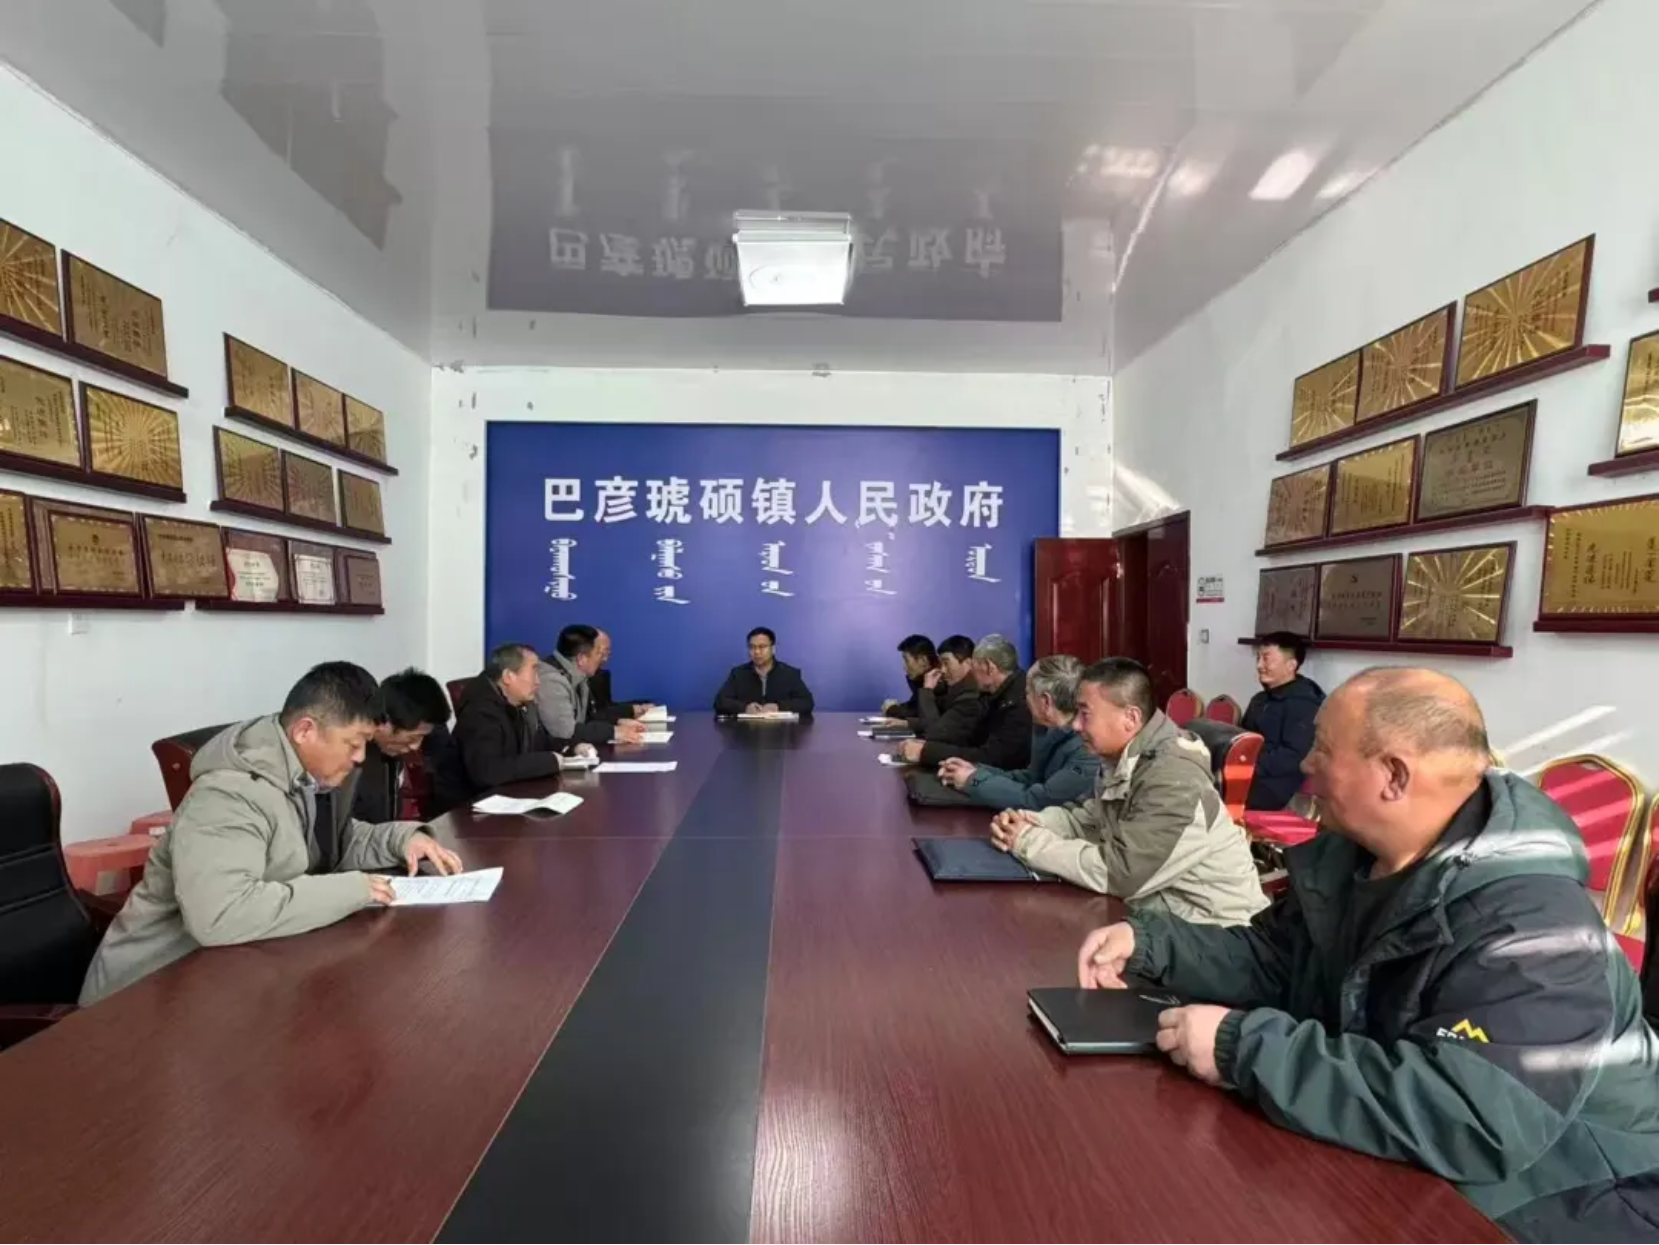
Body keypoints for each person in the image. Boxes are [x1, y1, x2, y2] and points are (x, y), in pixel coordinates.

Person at [1075, 668, 1659, 1243]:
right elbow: (1276, 959)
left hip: (1566, 1193)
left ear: (1394, 777)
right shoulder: (1352, 855)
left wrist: (1241, 1047)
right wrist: (1152, 942)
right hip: (1405, 1151)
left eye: (1323, 749)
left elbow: (1475, 1119)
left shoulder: (1534, 926)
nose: (1305, 765)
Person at [80, 662, 463, 1005]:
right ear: (305, 731)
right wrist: (354, 889)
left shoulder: (306, 777)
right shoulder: (228, 794)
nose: (362, 756)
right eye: (353, 743)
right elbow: (221, 914)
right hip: (147, 993)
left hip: (233, 974)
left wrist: (403, 839)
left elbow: (335, 844)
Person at [990, 657, 1265, 920]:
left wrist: (1028, 841)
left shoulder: (1172, 778)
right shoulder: (1126, 757)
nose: (1075, 724)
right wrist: (1031, 822)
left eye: (1085, 714)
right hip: (1159, 911)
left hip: (1213, 928)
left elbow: (1120, 874)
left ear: (1130, 718)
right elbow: (1091, 820)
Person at [436, 642, 588, 811]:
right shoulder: (480, 712)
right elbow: (488, 771)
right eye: (533, 672)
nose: (538, 682)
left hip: (506, 797)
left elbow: (540, 743)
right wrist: (550, 761)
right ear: (508, 676)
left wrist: (572, 748)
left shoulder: (519, 704)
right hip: (469, 809)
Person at [938, 654, 1101, 811]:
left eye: (1027, 692)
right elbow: (1031, 779)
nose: (1024, 699)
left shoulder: (1088, 748)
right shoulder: (1047, 729)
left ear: (1045, 702)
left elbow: (1038, 801)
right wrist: (975, 770)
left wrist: (972, 780)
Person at [896, 634, 1031, 770]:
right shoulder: (997, 695)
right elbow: (966, 740)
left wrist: (925, 751)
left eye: (973, 665)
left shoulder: (1017, 704)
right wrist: (927, 747)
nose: (972, 671)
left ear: (989, 667)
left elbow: (991, 758)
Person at [349, 668, 453, 823]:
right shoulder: (351, 759)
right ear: (385, 723)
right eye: (413, 737)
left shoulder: (391, 750)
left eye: (422, 737)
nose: (415, 746)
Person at [1241, 632, 1324, 810]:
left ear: (1291, 665)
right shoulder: (1259, 699)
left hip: (1277, 787)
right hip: (1248, 774)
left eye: (1266, 659)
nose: (1259, 666)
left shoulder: (1304, 703)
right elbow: (1241, 738)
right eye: (1258, 658)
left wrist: (1247, 766)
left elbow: (1294, 756)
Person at [535, 624, 647, 745]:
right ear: (581, 659)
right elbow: (565, 732)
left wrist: (618, 722)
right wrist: (614, 732)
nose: (604, 659)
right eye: (600, 654)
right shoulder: (550, 681)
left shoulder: (579, 675)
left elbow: (587, 719)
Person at [903, 634, 985, 746]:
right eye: (941, 664)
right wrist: (907, 723)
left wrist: (927, 690)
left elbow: (935, 734)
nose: (942, 670)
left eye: (946, 663)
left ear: (968, 663)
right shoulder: (956, 692)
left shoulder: (971, 699)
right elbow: (940, 719)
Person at [713, 627, 815, 715]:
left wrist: (779, 707)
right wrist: (744, 708)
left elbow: (807, 703)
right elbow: (720, 702)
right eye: (752, 647)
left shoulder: (789, 674)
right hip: (746, 729)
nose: (757, 652)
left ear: (773, 649)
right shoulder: (738, 674)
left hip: (780, 729)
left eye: (762, 647)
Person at [589, 629, 653, 722]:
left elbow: (607, 707)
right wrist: (631, 710)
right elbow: (594, 716)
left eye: (608, 654)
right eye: (602, 653)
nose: (605, 659)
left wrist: (640, 705)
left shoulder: (600, 676)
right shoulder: (574, 681)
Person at [881, 635, 939, 719]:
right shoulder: (921, 681)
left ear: (923, 660)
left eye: (906, 660)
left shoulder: (939, 683)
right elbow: (913, 706)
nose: (904, 667)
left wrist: (890, 709)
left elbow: (916, 713)